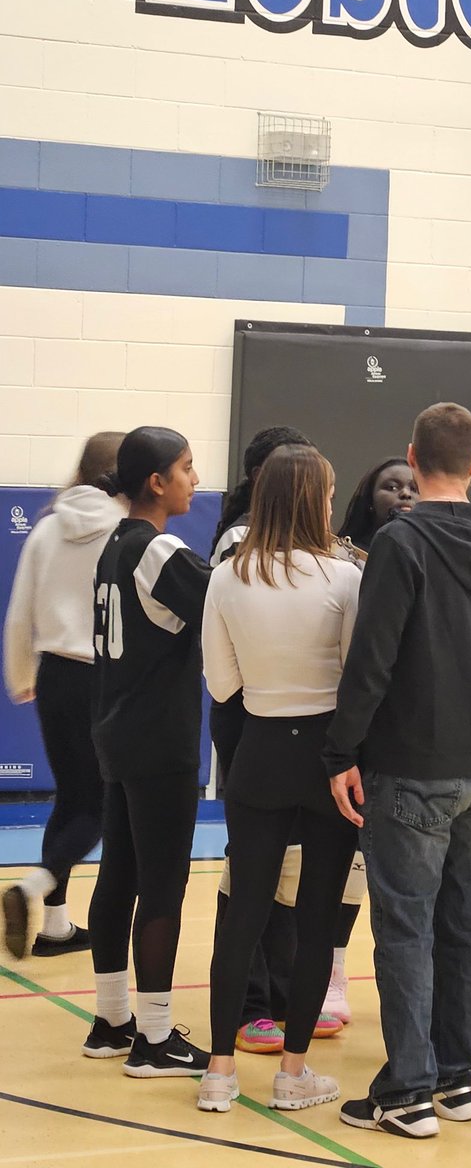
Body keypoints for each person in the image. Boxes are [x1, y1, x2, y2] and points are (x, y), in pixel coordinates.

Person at [324, 402, 471, 1139]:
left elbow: (370, 662)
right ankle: (455, 1078)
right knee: (465, 925)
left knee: (406, 930)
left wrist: (341, 752)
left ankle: (408, 1091)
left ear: (414, 460)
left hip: (412, 767)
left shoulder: (401, 541)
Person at [199, 444, 361, 1114]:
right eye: (326, 493)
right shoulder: (346, 578)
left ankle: (218, 1071)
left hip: (259, 751)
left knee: (245, 912)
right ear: (312, 501)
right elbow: (359, 679)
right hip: (327, 757)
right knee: (318, 918)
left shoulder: (228, 577)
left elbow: (222, 682)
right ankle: (294, 1072)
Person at [83, 426, 211, 1078]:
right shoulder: (159, 548)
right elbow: (222, 603)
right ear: (157, 481)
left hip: (116, 729)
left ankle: (111, 1020)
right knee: (162, 883)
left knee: (121, 875)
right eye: (187, 468)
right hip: (158, 738)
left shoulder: (116, 544)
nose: (195, 478)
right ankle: (156, 1039)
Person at [2, 432, 125, 959]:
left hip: (54, 676)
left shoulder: (48, 529)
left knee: (70, 798)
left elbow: (20, 609)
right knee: (99, 806)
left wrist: (20, 675)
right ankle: (35, 886)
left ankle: (55, 927)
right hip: (104, 679)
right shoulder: (127, 530)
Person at [337, 457, 418, 552]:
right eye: (392, 487)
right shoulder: (347, 555)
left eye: (414, 489)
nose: (406, 493)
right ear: (370, 499)